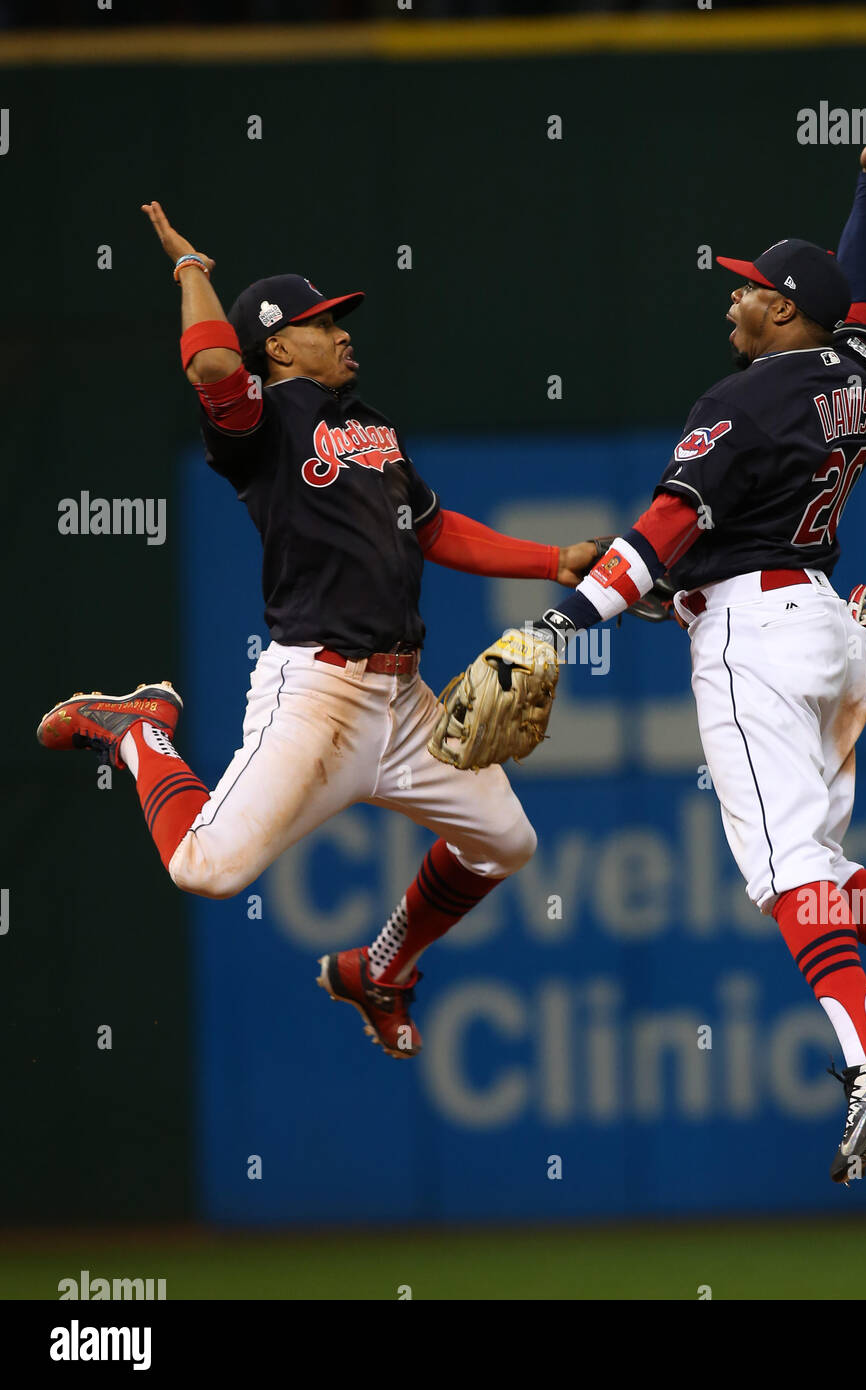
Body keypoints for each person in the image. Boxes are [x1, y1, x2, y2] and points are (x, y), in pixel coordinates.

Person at [521, 84, 866, 1182]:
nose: (736, 303)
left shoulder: (744, 401)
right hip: (825, 629)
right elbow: (861, 292)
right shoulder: (859, 380)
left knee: (782, 880)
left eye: (752, 291)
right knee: (811, 871)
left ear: (783, 314)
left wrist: (557, 622)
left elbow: (659, 535)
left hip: (755, 638)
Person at [36, 201, 598, 1061]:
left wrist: (552, 559)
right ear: (277, 345)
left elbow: (437, 530)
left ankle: (380, 969)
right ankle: (138, 732)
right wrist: (193, 270)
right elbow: (212, 364)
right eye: (321, 322)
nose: (342, 333)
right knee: (205, 868)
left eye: (339, 321)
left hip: (405, 701)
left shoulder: (371, 427)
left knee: (506, 843)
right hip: (321, 694)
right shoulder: (258, 424)